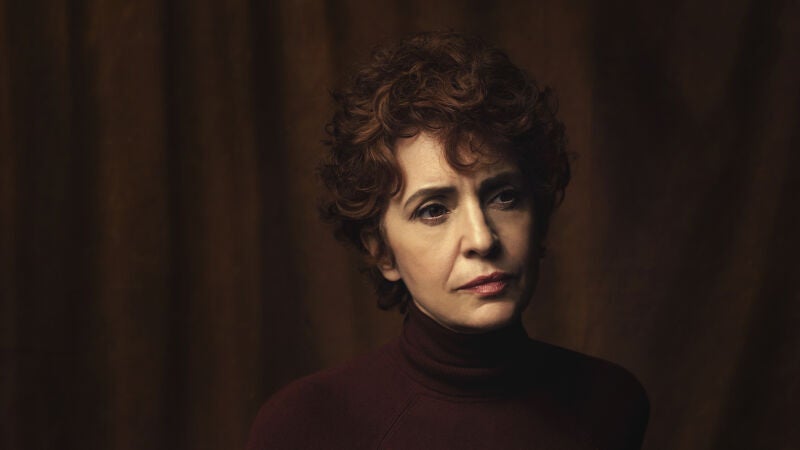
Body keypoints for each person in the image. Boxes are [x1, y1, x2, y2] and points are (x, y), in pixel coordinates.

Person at [247, 31, 649, 450]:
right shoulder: (305, 426)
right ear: (381, 251)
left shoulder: (610, 404)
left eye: (503, 197)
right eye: (433, 210)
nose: (481, 238)